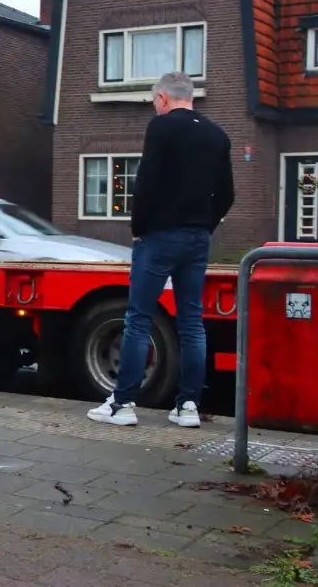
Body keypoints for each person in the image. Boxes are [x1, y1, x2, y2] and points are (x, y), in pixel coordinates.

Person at [87, 71, 234, 429]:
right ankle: (188, 406)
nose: (156, 107)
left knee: (139, 319)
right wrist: (205, 225)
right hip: (198, 238)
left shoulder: (161, 127)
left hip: (159, 237)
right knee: (191, 322)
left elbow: (147, 183)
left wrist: (139, 230)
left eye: (155, 101)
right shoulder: (218, 135)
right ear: (192, 97)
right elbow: (227, 194)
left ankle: (122, 404)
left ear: (164, 99)